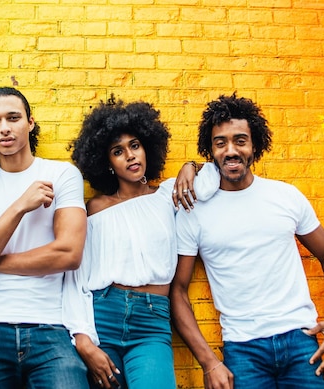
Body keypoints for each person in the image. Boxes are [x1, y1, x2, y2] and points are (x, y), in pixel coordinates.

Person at [171, 93, 324, 389]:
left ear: (255, 145)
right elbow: (177, 291)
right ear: (211, 150)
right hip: (243, 350)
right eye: (221, 143)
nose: (231, 150)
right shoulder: (194, 211)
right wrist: (209, 362)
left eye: (240, 140)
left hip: (302, 342)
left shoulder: (286, 197)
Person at [69, 96, 219, 389]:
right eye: (118, 151)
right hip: (103, 316)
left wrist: (192, 166)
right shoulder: (95, 208)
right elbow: (78, 278)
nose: (130, 156)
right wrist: (83, 337)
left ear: (147, 147)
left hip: (151, 322)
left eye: (135, 146)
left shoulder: (168, 195)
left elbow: (214, 178)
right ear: (107, 162)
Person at [0, 87, 90, 389]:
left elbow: (69, 254)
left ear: (30, 122)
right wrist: (19, 206)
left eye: (13, 118)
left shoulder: (62, 175)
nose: (4, 128)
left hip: (52, 327)